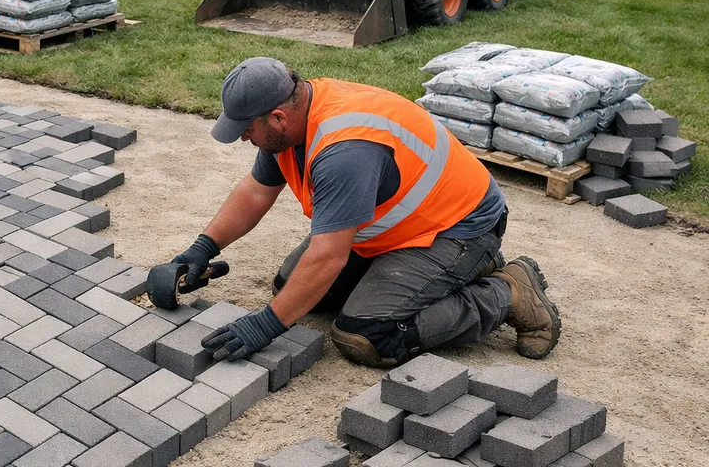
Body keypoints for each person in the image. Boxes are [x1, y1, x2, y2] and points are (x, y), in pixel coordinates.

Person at [174, 57, 561, 369]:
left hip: (457, 228)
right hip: (395, 227)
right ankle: (433, 280)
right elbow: (257, 192)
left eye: (247, 129)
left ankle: (506, 293)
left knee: (367, 335)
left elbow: (328, 255)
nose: (243, 137)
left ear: (277, 117)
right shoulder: (297, 116)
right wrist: (203, 248)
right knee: (295, 290)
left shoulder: (344, 151)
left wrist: (265, 325)